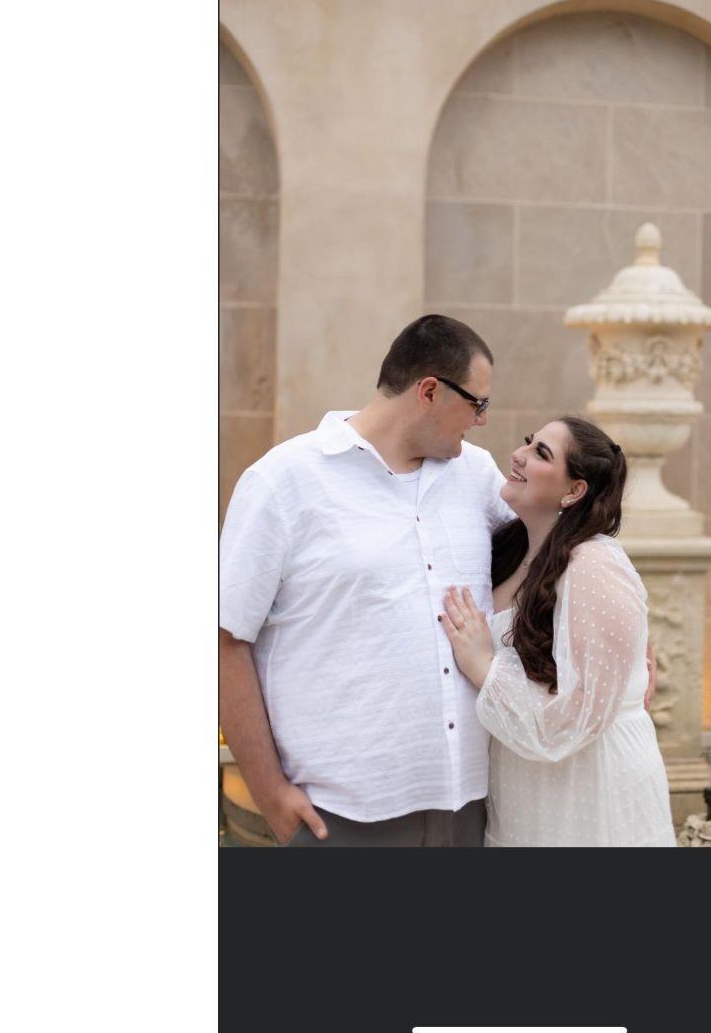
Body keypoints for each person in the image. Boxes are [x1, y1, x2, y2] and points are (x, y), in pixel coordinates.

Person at [218, 314, 509, 847]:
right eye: (478, 404)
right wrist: (270, 793)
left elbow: (552, 555)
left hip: (469, 807)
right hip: (338, 817)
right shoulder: (284, 481)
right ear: (429, 391)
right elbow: (225, 638)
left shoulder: (478, 474)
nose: (483, 421)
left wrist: (624, 639)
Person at [439, 416, 677, 847]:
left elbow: (576, 718)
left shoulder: (593, 564)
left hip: (588, 789)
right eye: (529, 442)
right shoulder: (512, 547)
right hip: (528, 786)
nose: (518, 454)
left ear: (574, 490)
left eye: (541, 453)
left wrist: (483, 667)